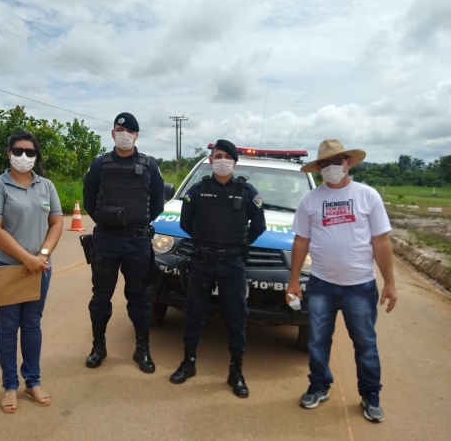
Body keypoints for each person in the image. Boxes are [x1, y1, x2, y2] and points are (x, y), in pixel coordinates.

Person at [286, 139, 398, 422]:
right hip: (321, 284)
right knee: (318, 340)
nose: (332, 167)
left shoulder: (367, 196)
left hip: (360, 286)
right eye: (325, 163)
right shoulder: (310, 200)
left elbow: (381, 241)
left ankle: (370, 394)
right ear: (319, 168)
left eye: (337, 161)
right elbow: (301, 241)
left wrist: (390, 283)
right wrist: (294, 280)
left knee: (365, 343)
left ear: (348, 162)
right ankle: (319, 384)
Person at [170, 139, 266, 398]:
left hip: (232, 264)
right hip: (201, 262)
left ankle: (236, 371)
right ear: (211, 160)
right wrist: (206, 242)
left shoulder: (247, 192)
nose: (222, 160)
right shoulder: (197, 191)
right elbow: (186, 223)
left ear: (234, 161)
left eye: (227, 156)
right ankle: (188, 363)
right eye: (217, 155)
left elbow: (258, 226)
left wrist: (236, 244)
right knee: (194, 314)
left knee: (236, 319)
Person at [0, 130, 63, 414]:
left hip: (38, 268)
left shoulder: (46, 186)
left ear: (36, 156)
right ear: (9, 153)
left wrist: (40, 256)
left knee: (31, 325)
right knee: (6, 327)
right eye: (18, 151)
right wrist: (25, 258)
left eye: (30, 152)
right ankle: (9, 385)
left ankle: (33, 381)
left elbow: (56, 223)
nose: (24, 157)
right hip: (5, 266)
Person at [82, 112, 164, 373]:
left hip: (137, 241)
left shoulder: (149, 166)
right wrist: (109, 222)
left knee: (139, 297)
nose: (124, 134)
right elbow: (89, 200)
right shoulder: (99, 165)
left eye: (129, 131)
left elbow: (158, 204)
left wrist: (135, 224)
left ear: (137, 135)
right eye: (119, 129)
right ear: (112, 133)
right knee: (100, 296)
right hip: (106, 239)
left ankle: (142, 350)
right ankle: (98, 346)